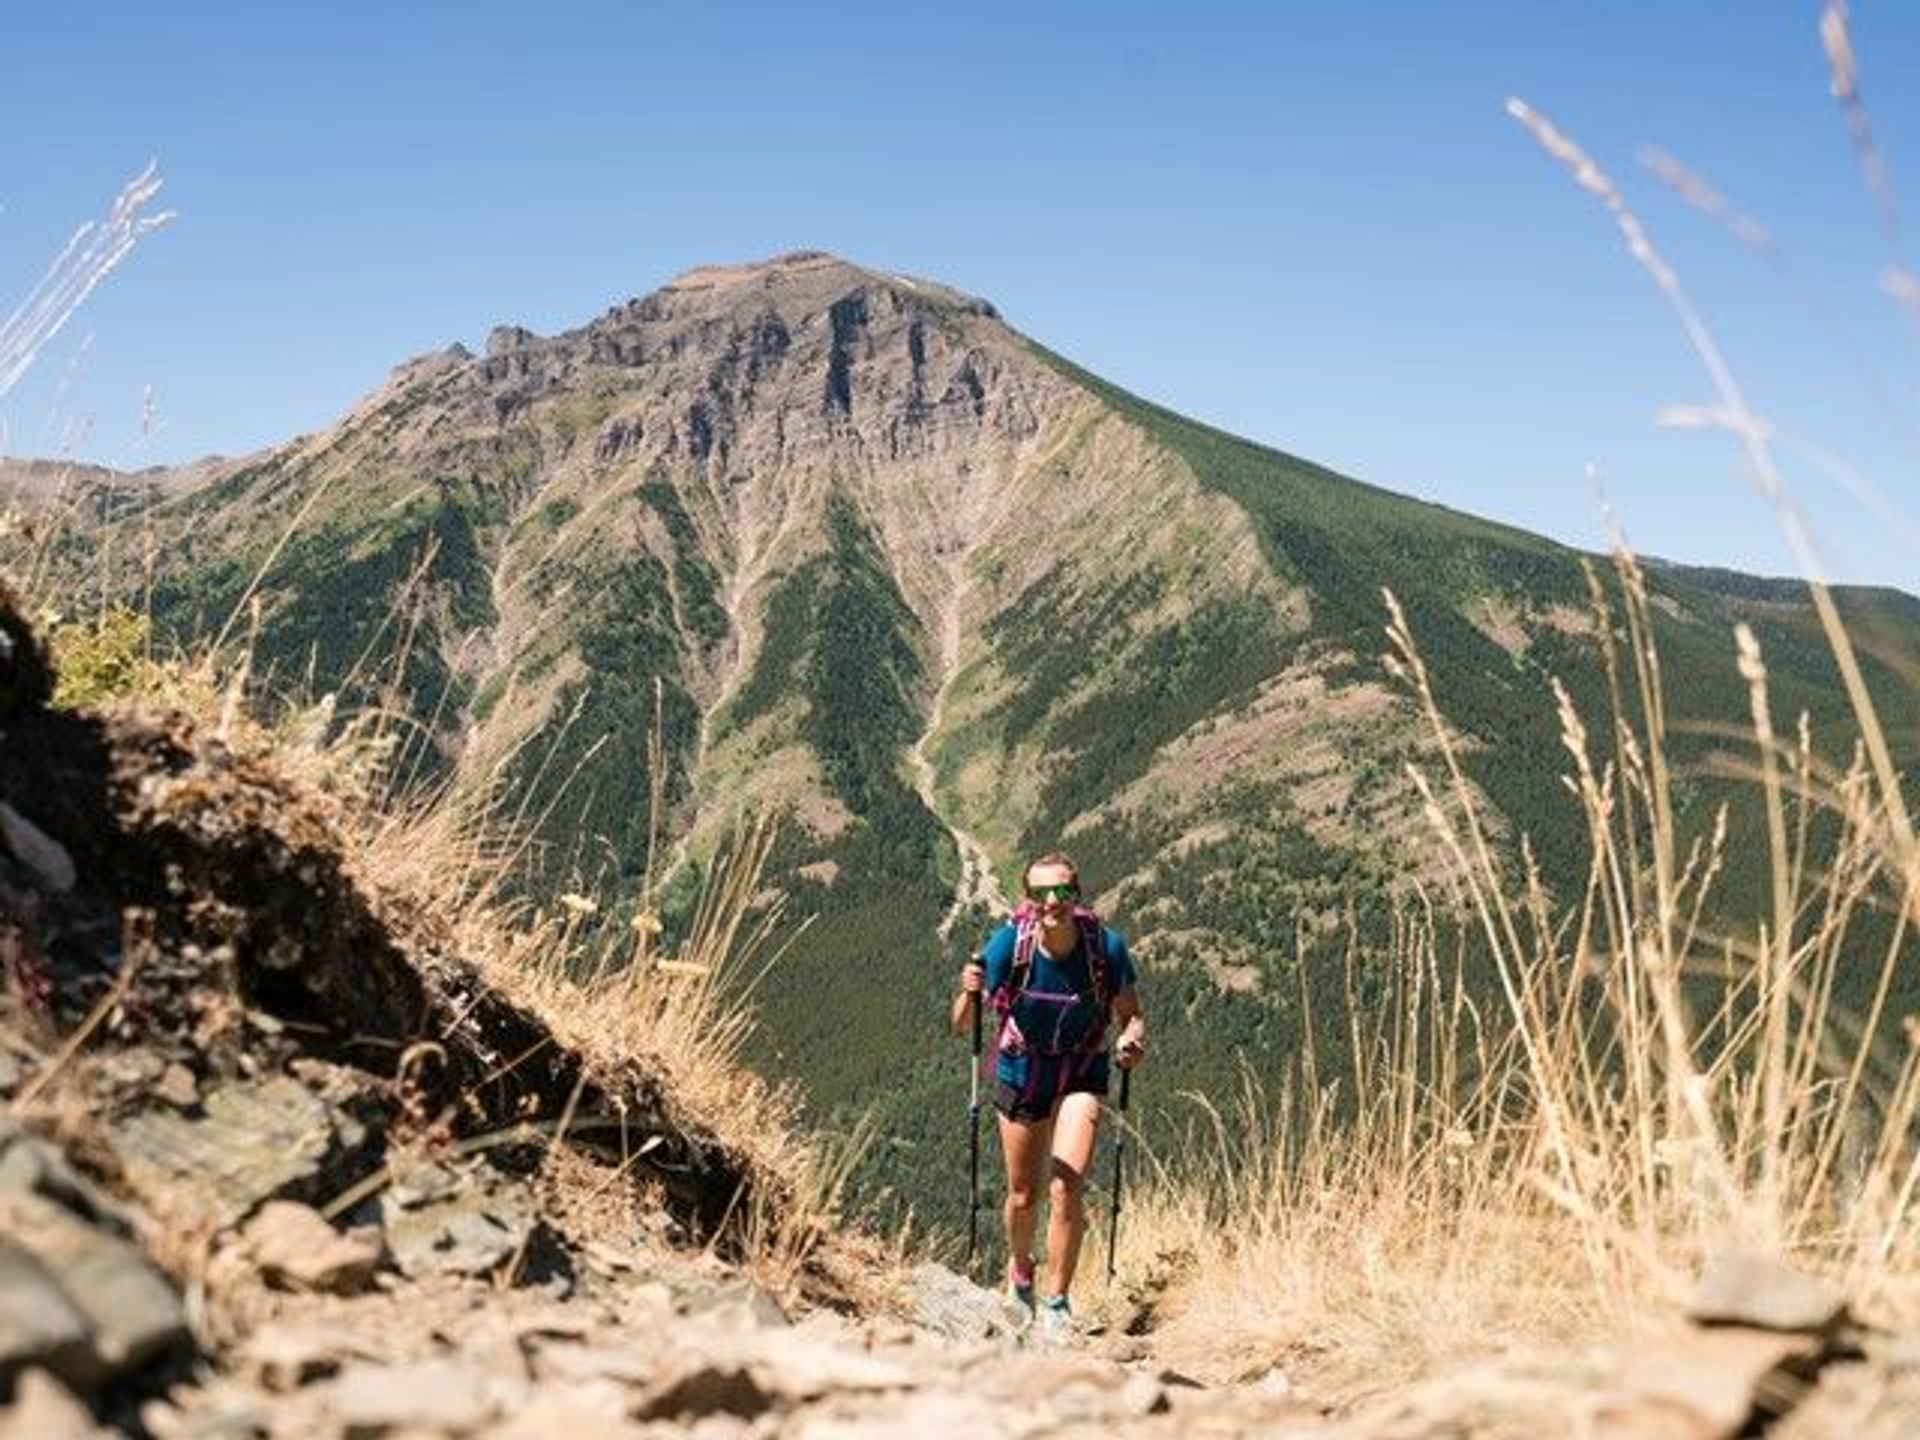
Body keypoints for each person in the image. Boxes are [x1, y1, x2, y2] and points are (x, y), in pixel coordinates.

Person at [950, 852, 1146, 1338]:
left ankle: (1057, 1303)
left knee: (1066, 1186)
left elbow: (1132, 1014)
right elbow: (962, 1025)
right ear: (1028, 900)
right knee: (1023, 1194)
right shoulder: (1007, 946)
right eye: (1040, 894)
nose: (1051, 903)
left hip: (1082, 1068)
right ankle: (1021, 1275)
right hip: (1023, 1068)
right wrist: (968, 991)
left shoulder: (1106, 948)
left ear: (1076, 895)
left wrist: (1130, 1041)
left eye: (1061, 892)